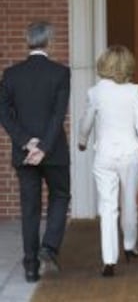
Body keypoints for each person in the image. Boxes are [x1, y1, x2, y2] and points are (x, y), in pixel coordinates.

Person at [78, 45, 138, 277]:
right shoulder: (134, 91)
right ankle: (130, 246)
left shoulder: (96, 92)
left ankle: (109, 260)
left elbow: (86, 121)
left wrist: (82, 141)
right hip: (131, 154)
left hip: (104, 155)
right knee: (130, 203)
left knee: (107, 206)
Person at [0, 21, 71, 282]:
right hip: (54, 151)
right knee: (61, 195)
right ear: (49, 41)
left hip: (24, 153)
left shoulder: (11, 74)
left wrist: (26, 142)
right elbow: (58, 114)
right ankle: (49, 248)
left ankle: (31, 267)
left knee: (29, 208)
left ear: (26, 41)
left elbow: (4, 114)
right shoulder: (60, 72)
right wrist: (42, 146)